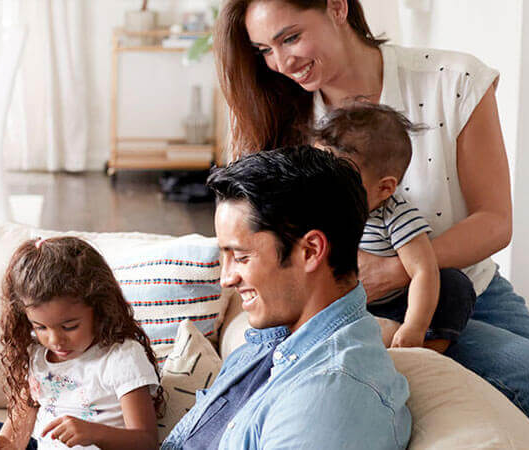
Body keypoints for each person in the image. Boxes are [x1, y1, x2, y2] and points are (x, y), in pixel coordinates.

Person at [213, 0, 529, 418]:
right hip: (346, 305)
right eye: (264, 51)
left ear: (337, 7)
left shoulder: (453, 80)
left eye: (290, 37)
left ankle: (420, 350)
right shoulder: (283, 115)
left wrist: (399, 270)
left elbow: (494, 222)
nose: (281, 62)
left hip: (468, 288)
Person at [162, 146, 411, 449]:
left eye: (240, 257)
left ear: (310, 251)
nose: (226, 279)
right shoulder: (267, 344)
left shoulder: (328, 396)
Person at [0, 237, 162, 450]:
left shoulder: (121, 357)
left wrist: (93, 432)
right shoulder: (36, 357)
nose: (55, 341)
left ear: (100, 309)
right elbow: (14, 440)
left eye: (70, 326)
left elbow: (147, 441)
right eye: (40, 327)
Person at [314, 103, 477, 352]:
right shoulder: (318, 210)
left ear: (384, 188)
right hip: (347, 304)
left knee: (453, 283)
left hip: (398, 305)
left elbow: (424, 271)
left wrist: (414, 325)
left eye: (339, 181)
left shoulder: (394, 215)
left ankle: (428, 347)